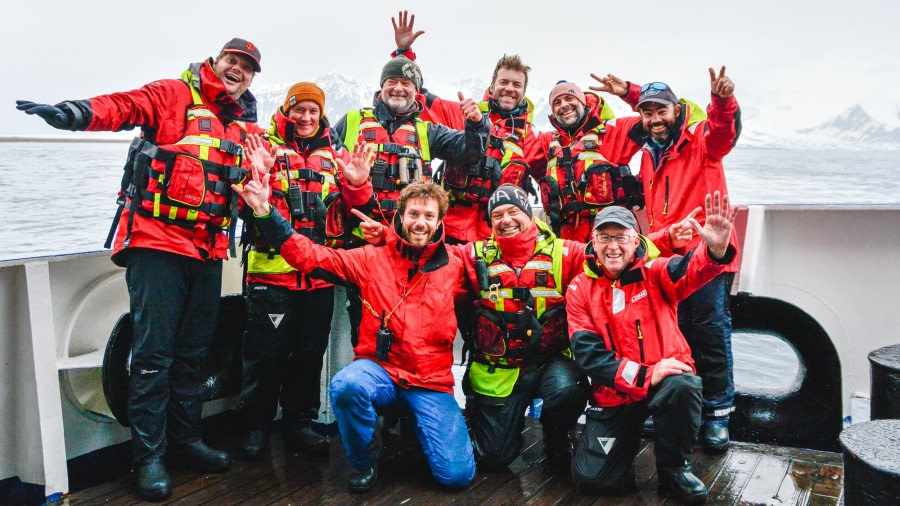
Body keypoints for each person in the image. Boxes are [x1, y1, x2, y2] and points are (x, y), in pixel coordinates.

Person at [17, 38, 265, 500]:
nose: (238, 70)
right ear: (216, 62)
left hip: (209, 251)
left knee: (193, 353)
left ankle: (186, 440)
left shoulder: (244, 124)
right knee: (153, 356)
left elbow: (267, 171)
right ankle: (148, 456)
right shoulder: (174, 94)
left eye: (248, 68)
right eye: (233, 61)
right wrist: (73, 113)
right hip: (158, 245)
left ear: (252, 78)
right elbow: (123, 106)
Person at [234, 154, 475, 493]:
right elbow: (310, 256)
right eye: (414, 214)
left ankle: (427, 431)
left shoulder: (458, 265)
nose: (421, 222)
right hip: (379, 371)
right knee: (347, 386)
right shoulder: (370, 258)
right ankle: (365, 461)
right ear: (401, 217)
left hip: (429, 382)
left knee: (456, 476)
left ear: (439, 223)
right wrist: (264, 212)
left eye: (429, 216)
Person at [597, 67, 742, 451]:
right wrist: (629, 93)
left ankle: (717, 414)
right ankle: (674, 410)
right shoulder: (646, 156)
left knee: (709, 331)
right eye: (647, 112)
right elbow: (647, 118)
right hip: (664, 260)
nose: (655, 119)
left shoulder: (701, 142)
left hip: (705, 254)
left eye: (662, 111)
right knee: (666, 336)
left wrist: (724, 102)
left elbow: (725, 130)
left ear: (677, 111)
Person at [566, 194, 738, 504]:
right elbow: (588, 356)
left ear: (636, 242)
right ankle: (626, 439)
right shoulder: (579, 289)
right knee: (593, 481)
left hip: (666, 383)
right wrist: (645, 374)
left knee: (683, 384)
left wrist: (715, 250)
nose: (613, 246)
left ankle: (675, 469)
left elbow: (691, 269)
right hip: (615, 395)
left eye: (621, 237)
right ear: (593, 242)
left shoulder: (656, 272)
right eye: (605, 237)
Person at [236, 82, 376, 461]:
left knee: (309, 352)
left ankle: (300, 421)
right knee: (265, 356)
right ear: (286, 110)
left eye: (313, 111)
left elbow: (357, 211)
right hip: (270, 276)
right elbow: (244, 207)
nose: (306, 117)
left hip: (318, 277)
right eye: (299, 110)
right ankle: (257, 425)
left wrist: (360, 185)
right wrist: (257, 173)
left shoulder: (335, 157)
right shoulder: (262, 147)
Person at [459, 184, 591, 471]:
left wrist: (668, 238)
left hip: (549, 364)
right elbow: (431, 254)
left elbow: (610, 252)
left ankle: (558, 436)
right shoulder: (473, 255)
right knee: (494, 459)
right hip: (499, 370)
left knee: (569, 388)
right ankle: (506, 428)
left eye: (513, 211)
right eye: (497, 215)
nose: (505, 220)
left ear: (529, 214)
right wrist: (388, 235)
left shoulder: (566, 252)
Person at [388, 11, 546, 243]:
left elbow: (555, 172)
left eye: (516, 84)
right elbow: (416, 95)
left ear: (524, 92)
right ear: (492, 86)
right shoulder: (462, 112)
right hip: (448, 231)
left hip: (498, 237)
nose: (509, 89)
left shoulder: (531, 139)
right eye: (503, 82)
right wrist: (405, 54)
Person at [537, 80, 644, 242]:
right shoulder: (547, 142)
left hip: (612, 239)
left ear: (583, 101)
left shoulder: (614, 131)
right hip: (566, 241)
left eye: (569, 98)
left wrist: (629, 93)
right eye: (557, 103)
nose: (563, 105)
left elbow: (660, 116)